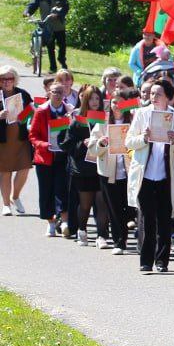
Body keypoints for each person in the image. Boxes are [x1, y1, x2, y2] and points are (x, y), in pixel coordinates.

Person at [125, 79, 174, 272]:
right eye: (151, 94)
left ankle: (162, 261)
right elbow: (129, 141)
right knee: (147, 219)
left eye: (158, 94)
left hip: (167, 177)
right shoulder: (141, 114)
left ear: (168, 97)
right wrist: (143, 138)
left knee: (165, 221)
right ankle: (146, 260)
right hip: (146, 176)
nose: (153, 97)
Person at [85, 91, 134, 254]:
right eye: (114, 102)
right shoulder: (102, 122)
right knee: (114, 208)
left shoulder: (134, 120)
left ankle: (130, 233)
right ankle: (119, 242)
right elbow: (92, 149)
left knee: (130, 208)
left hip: (130, 172)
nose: (117, 106)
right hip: (109, 173)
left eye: (120, 102)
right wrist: (101, 142)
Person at [63, 85, 107, 246]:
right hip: (83, 169)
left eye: (97, 99)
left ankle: (102, 236)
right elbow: (67, 145)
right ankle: (82, 230)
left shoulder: (105, 119)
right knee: (85, 204)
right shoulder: (78, 122)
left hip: (101, 167)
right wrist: (83, 143)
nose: (95, 102)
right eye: (91, 99)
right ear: (85, 101)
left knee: (102, 202)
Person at [30, 81, 72, 237]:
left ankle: (65, 221)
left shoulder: (69, 111)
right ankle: (51, 223)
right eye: (55, 92)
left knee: (62, 189)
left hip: (63, 157)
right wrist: (44, 144)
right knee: (46, 191)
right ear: (48, 93)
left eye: (61, 92)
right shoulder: (41, 111)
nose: (58, 95)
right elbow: (33, 135)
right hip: (45, 157)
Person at [0, 66, 34, 215]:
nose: (6, 82)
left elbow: (33, 111)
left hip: (21, 138)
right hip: (3, 140)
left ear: (15, 80)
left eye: (10, 79)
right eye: (3, 79)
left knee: (24, 169)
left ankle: (16, 196)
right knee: (5, 172)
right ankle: (6, 204)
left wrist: (25, 116)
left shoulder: (23, 94)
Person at [25, 0, 69, 72]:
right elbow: (32, 5)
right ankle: (53, 67)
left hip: (59, 25)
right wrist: (27, 12)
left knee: (62, 45)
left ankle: (62, 60)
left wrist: (58, 14)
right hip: (46, 25)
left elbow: (65, 8)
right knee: (50, 46)